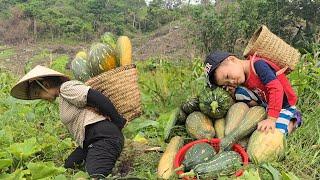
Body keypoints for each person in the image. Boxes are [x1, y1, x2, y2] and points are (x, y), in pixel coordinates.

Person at [10, 65, 126, 178]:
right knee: (69, 166)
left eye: (37, 94)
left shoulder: (66, 87)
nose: (40, 98)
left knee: (95, 175)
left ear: (46, 84)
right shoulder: (63, 96)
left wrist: (117, 120)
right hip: (91, 139)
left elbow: (95, 97)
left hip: (104, 138)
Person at [204, 51, 302, 135]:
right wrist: (232, 92)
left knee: (275, 132)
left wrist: (271, 119)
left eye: (227, 76)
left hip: (284, 105)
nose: (231, 82)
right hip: (266, 101)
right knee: (239, 92)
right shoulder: (242, 75)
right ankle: (263, 109)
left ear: (232, 60)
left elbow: (276, 89)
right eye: (226, 83)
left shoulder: (258, 65)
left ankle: (293, 120)